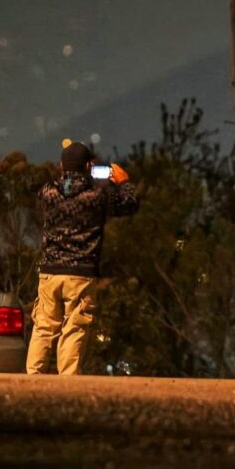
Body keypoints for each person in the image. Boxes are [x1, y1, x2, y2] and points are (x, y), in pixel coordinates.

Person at [26, 141, 138, 375]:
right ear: (89, 165)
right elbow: (129, 204)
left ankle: (32, 379)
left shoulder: (48, 192)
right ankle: (67, 384)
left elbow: (42, 190)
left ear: (61, 166)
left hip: (49, 271)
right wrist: (123, 182)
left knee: (44, 327)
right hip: (81, 273)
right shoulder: (98, 195)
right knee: (75, 328)